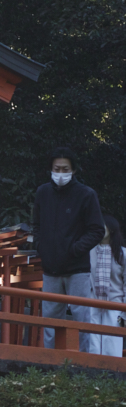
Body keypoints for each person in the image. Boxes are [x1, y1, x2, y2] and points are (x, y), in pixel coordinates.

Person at [32, 146, 104, 352]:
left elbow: (97, 229)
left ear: (73, 170)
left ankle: (83, 364)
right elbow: (35, 225)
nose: (60, 173)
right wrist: (41, 247)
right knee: (50, 321)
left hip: (78, 268)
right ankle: (49, 365)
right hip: (50, 268)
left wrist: (75, 249)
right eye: (57, 168)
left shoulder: (86, 194)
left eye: (65, 169)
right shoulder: (42, 192)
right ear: (51, 169)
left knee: (81, 319)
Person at [90, 214, 126, 357]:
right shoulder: (88, 251)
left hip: (115, 305)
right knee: (92, 345)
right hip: (91, 303)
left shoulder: (123, 254)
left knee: (112, 346)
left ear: (111, 229)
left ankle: (112, 377)